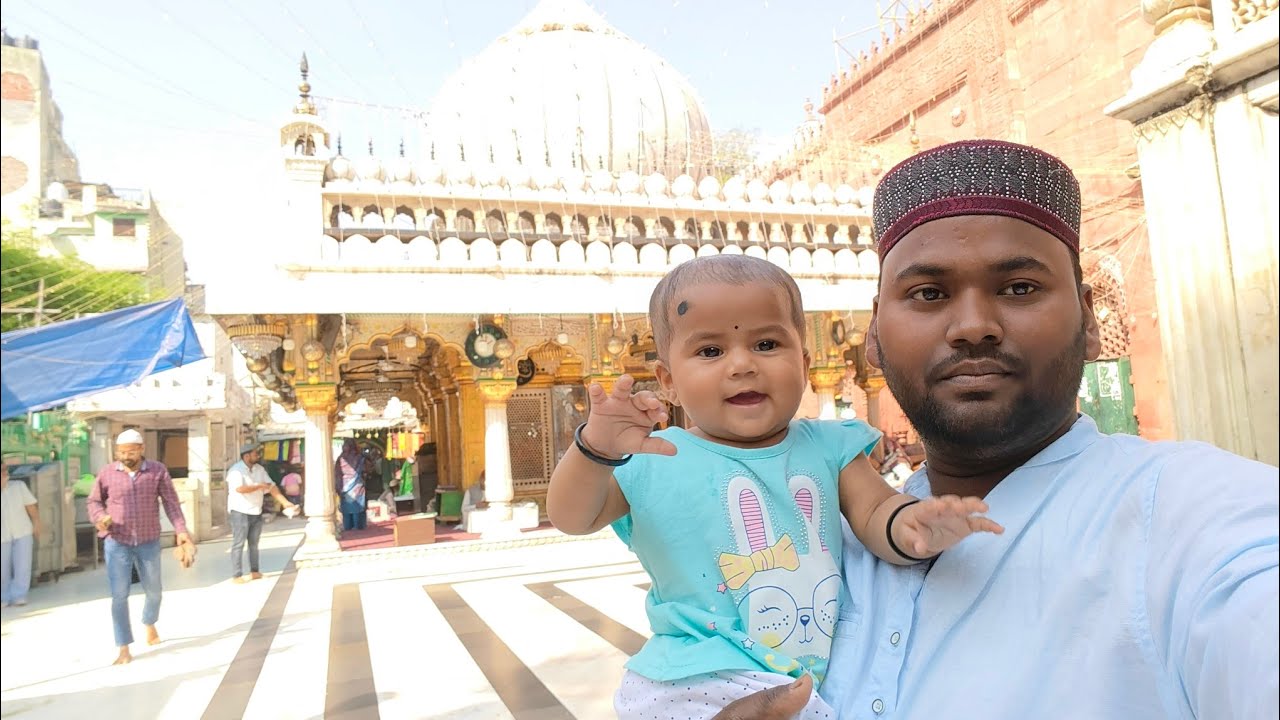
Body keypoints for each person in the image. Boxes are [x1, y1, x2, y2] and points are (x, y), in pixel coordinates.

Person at [710, 139, 1280, 720]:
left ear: (1087, 321)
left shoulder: (1187, 516)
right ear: (874, 334)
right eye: (928, 293)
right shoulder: (832, 547)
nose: (974, 326)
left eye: (1019, 288)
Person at [547, 254, 1002, 718]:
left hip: (807, 676)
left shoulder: (829, 447)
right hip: (692, 677)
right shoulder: (656, 457)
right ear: (668, 382)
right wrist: (594, 451)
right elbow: (572, 517)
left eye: (767, 343)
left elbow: (874, 513)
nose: (742, 365)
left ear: (803, 364)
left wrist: (915, 525)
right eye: (710, 351)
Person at [86, 429, 194, 665]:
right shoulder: (107, 473)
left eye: (131, 451)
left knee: (154, 590)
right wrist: (100, 516)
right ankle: (123, 646)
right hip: (117, 540)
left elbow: (171, 503)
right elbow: (94, 501)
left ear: (141, 449)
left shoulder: (157, 471)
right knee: (119, 595)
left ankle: (149, 621)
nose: (126, 456)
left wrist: (181, 531)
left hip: (148, 540)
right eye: (121, 452)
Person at [226, 443, 299, 584]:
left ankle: (255, 571)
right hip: (239, 511)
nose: (258, 456)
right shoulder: (236, 470)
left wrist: (285, 502)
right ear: (247, 456)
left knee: (254, 543)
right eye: (255, 454)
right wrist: (258, 486)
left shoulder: (259, 470)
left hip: (255, 510)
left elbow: (271, 487)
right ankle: (237, 575)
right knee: (238, 543)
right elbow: (239, 489)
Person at [1, 463, 41, 607]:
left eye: (4, 471)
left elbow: (31, 508)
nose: (3, 474)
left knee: (22, 565)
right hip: (2, 536)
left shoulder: (18, 487)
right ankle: (2, 597)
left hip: (22, 532)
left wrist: (37, 524)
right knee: (2, 568)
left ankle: (19, 595)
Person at [335, 438, 367, 531]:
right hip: (357, 485)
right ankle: (358, 527)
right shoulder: (359, 457)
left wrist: (338, 487)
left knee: (346, 508)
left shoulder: (340, 459)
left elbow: (337, 473)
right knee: (357, 507)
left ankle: (347, 527)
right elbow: (365, 469)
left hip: (343, 486)